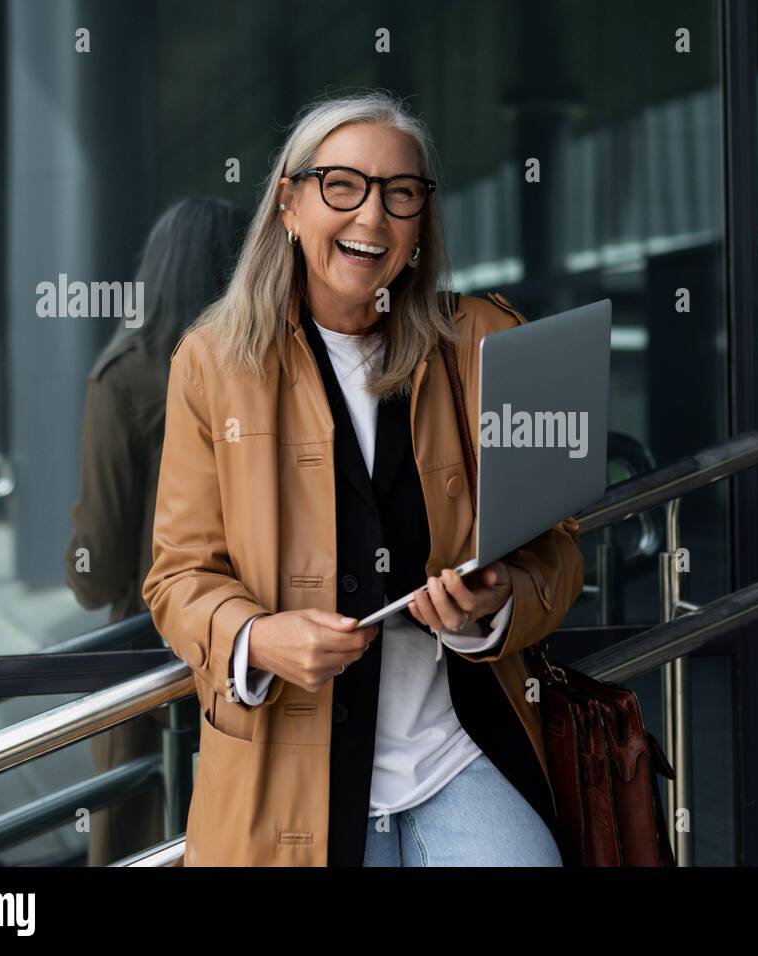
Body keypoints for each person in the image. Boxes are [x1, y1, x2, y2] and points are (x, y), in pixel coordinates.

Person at [142, 90, 584, 866]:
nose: (371, 219)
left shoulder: (485, 342)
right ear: (289, 203)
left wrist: (495, 603)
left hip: (459, 752)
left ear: (421, 221)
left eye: (400, 194)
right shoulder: (212, 365)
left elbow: (560, 552)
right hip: (290, 772)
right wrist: (256, 638)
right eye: (342, 186)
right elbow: (178, 576)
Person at [65, 197, 249, 865]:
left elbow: (101, 567)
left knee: (143, 832)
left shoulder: (128, 375)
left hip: (152, 647)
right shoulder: (270, 364)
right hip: (257, 646)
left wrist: (77, 566)